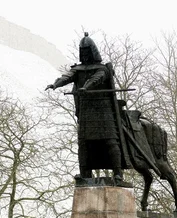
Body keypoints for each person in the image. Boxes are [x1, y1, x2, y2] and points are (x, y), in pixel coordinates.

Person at [46, 33, 124, 184]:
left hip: (103, 110)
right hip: (86, 111)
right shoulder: (78, 69)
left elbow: (98, 78)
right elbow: (67, 77)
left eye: (88, 51)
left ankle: (118, 173)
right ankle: (84, 173)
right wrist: (55, 84)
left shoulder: (102, 68)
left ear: (93, 52)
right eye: (84, 52)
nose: (86, 55)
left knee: (110, 141)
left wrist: (86, 87)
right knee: (83, 143)